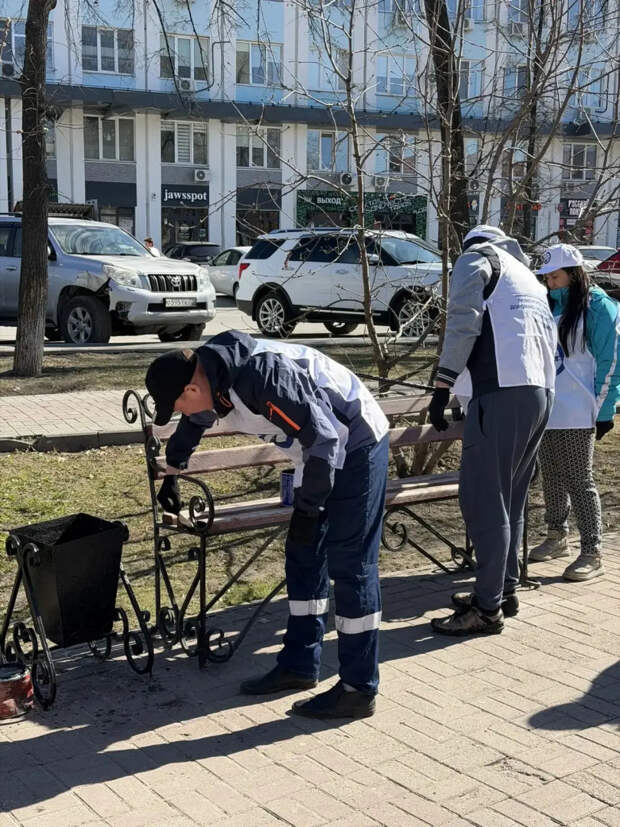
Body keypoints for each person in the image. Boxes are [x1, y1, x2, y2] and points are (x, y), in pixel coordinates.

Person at [145, 330, 389, 719]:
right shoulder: (212, 374)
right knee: (302, 556)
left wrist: (309, 509)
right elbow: (198, 417)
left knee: (351, 565)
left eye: (175, 405)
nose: (179, 414)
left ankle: (358, 688)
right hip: (318, 451)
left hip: (356, 444)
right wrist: (174, 469)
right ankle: (299, 665)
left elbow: (326, 438)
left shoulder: (260, 376)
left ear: (191, 387)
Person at [428, 225, 557, 635]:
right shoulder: (526, 276)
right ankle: (503, 589)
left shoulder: (476, 259)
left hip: (500, 392)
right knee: (511, 499)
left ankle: (486, 610)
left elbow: (463, 321)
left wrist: (442, 384)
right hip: (540, 391)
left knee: (484, 500)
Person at [529, 244, 620, 580]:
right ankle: (557, 535)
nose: (550, 282)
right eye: (547, 277)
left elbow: (612, 359)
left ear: (574, 273)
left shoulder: (598, 306)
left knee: (579, 480)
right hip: (549, 407)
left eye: (556, 276)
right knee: (551, 474)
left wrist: (605, 408)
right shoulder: (547, 304)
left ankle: (592, 550)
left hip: (581, 409)